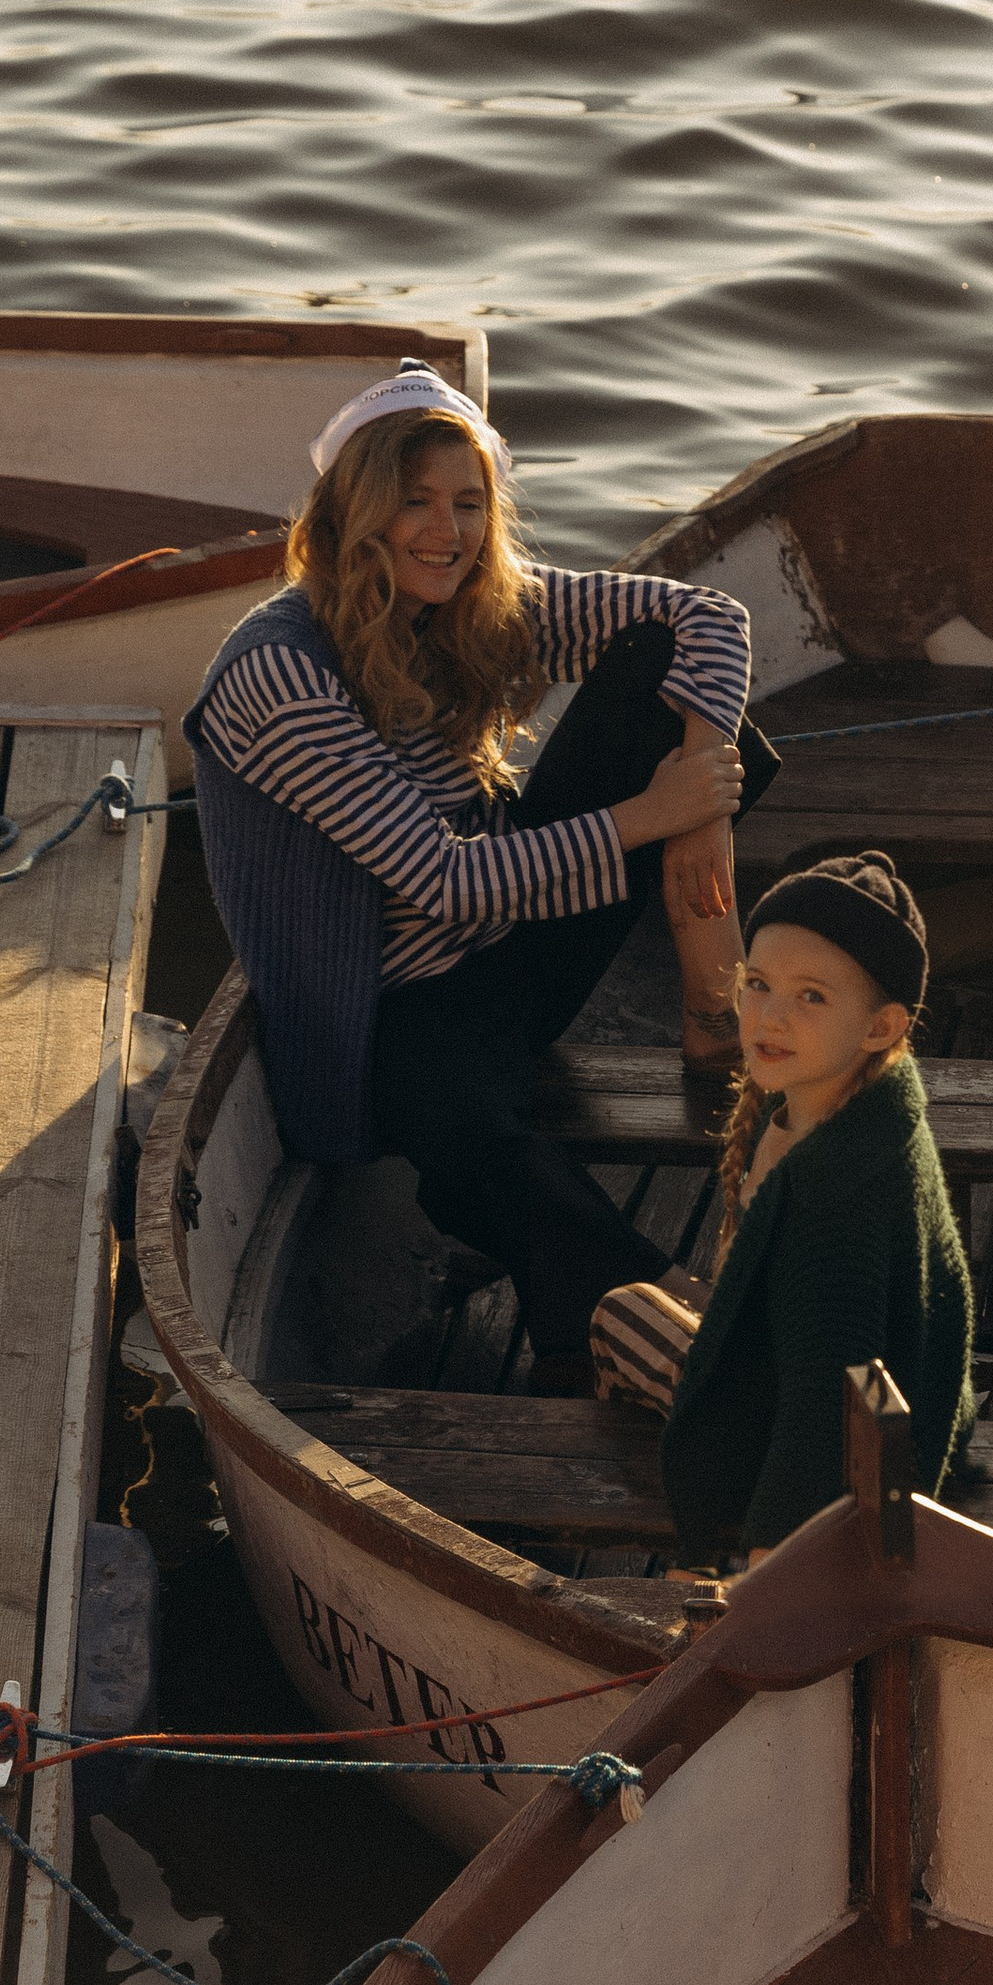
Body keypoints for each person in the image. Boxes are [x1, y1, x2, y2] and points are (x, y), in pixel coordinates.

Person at [187, 361, 771, 1389]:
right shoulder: (280, 669)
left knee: (657, 671)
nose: (444, 530)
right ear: (350, 510)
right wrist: (653, 815)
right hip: (393, 1007)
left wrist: (699, 819)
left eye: (467, 503)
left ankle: (704, 1010)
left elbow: (709, 618)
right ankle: (649, 1318)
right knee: (476, 1141)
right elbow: (440, 884)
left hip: (511, 956)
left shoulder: (468, 602)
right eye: (413, 501)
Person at [589, 854, 975, 1566]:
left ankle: (654, 1501)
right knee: (634, 1309)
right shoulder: (861, 1100)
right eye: (758, 985)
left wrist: (759, 1575)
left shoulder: (832, 1199)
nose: (769, 1016)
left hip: (829, 1435)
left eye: (812, 998)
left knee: (618, 1317)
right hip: (864, 1382)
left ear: (881, 1026)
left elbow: (821, 1410)